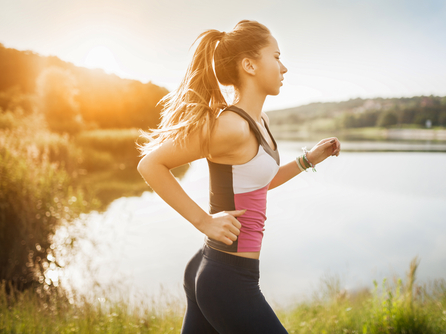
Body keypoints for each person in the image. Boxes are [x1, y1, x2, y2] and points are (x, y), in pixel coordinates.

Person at [137, 19, 341, 334]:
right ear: (249, 64)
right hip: (226, 277)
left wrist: (307, 160)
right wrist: (204, 221)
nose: (284, 67)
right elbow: (151, 164)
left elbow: (258, 183)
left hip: (220, 270)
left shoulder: (259, 121)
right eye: (276, 56)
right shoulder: (230, 126)